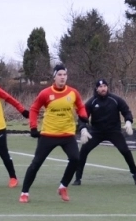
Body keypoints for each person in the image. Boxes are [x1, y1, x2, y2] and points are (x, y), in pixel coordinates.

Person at [18, 64, 89, 204]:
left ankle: (63, 187)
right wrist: (33, 127)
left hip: (67, 134)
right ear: (54, 77)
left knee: (75, 159)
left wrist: (83, 115)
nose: (62, 77)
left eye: (64, 75)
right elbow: (34, 109)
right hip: (48, 134)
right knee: (36, 164)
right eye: (59, 75)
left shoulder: (73, 93)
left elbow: (80, 106)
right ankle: (24, 192)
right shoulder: (45, 93)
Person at [73, 78, 136, 186]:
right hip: (96, 132)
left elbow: (126, 111)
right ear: (97, 89)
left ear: (107, 87)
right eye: (100, 87)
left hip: (113, 131)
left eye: (104, 86)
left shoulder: (115, 99)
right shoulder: (92, 102)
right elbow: (82, 117)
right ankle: (78, 178)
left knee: (125, 151)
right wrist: (83, 128)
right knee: (83, 151)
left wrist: (128, 121)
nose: (103, 88)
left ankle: (135, 174)